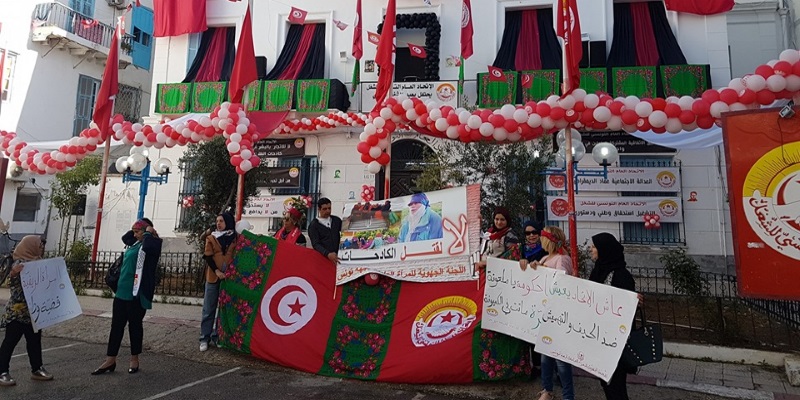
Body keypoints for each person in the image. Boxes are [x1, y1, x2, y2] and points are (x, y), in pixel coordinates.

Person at [92, 219, 162, 375]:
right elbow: (126, 237)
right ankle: (110, 359)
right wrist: (138, 231)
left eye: (138, 231)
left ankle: (134, 358)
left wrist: (148, 233)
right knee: (116, 326)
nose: (134, 234)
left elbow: (150, 246)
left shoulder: (153, 244)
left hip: (136, 293)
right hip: (122, 292)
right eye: (134, 231)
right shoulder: (134, 244)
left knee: (134, 326)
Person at [520, 226, 574, 400]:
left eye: (543, 237)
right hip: (544, 315)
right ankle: (547, 390)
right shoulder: (545, 257)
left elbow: (562, 283)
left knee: (561, 361)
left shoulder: (562, 259)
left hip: (557, 315)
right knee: (545, 357)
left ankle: (568, 395)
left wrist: (543, 270)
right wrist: (534, 267)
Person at [0, 236, 53, 386]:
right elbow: (12, 283)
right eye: (39, 245)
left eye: (42, 245)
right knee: (10, 341)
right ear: (30, 246)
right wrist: (13, 274)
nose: (42, 248)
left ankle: (37, 368)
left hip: (34, 312)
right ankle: (2, 371)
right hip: (18, 312)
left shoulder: (38, 264)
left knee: (34, 341)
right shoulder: (18, 264)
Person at [589, 232, 636, 400]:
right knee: (606, 382)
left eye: (594, 247)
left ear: (604, 250)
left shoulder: (621, 276)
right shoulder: (598, 271)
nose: (591, 250)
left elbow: (627, 309)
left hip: (615, 341)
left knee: (615, 384)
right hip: (599, 337)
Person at [199, 212, 236, 352]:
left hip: (228, 279)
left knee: (223, 309)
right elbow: (208, 257)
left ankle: (217, 336)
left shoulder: (234, 238)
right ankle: (204, 337)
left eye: (221, 221)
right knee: (209, 308)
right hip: (214, 277)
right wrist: (217, 271)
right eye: (217, 221)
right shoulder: (212, 237)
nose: (218, 223)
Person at [308, 197, 342, 264]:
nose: (328, 211)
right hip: (323, 259)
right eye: (324, 209)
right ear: (319, 209)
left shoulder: (336, 220)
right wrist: (327, 254)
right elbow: (316, 244)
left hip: (338, 257)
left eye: (329, 208)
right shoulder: (314, 225)